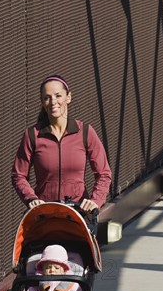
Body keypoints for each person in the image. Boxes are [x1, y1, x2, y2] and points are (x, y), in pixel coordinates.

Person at [12, 74, 112, 212]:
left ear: (68, 97)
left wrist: (96, 201)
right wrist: (31, 198)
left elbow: (104, 174)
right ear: (42, 102)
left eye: (58, 96)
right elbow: (18, 175)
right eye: (47, 98)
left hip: (78, 214)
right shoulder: (32, 135)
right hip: (44, 214)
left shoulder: (85, 132)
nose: (53, 102)